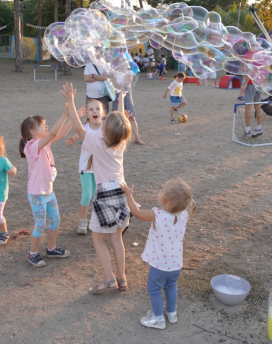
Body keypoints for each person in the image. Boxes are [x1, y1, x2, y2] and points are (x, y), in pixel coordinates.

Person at [61, 84, 131, 294]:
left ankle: (109, 280)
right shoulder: (122, 142)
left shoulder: (97, 142)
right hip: (121, 191)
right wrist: (120, 97)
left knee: (98, 238)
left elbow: (77, 128)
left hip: (106, 193)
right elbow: (120, 120)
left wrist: (71, 102)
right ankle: (122, 279)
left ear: (106, 129)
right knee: (116, 238)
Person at [122, 178, 194, 329]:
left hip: (160, 265)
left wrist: (129, 195)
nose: (159, 191)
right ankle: (172, 314)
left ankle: (158, 318)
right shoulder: (184, 214)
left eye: (162, 190)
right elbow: (181, 201)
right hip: (176, 264)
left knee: (154, 290)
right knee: (171, 286)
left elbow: (136, 212)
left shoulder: (157, 215)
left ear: (167, 202)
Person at [19, 108, 74, 267]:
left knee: (55, 221)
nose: (47, 126)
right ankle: (33, 254)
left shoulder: (44, 144)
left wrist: (74, 116)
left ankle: (51, 249)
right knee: (40, 224)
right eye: (43, 125)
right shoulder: (31, 146)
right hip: (36, 194)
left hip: (49, 192)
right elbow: (53, 133)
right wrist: (64, 114)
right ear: (32, 131)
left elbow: (61, 133)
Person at [65, 101, 104, 235]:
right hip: (86, 167)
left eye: (97, 108)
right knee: (87, 194)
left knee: (98, 194)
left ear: (103, 112)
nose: (95, 111)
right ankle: (83, 221)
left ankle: (96, 219)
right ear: (87, 114)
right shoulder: (85, 127)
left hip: (100, 167)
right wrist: (71, 141)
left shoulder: (106, 127)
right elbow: (75, 136)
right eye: (91, 109)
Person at [113, 71, 145, 144]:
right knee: (117, 118)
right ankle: (116, 138)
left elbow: (127, 83)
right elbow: (114, 85)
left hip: (127, 96)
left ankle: (137, 138)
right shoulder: (115, 72)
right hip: (118, 96)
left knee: (132, 118)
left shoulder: (129, 71)